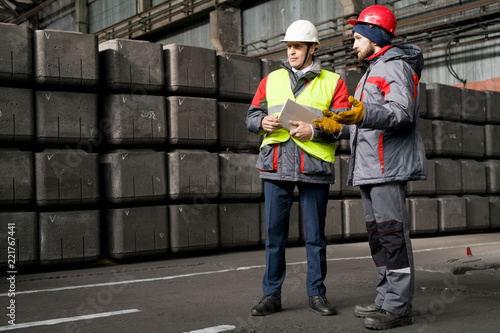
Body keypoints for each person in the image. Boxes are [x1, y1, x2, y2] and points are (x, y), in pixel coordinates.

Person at [313, 5, 426, 330]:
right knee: (378, 238)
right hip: (369, 169)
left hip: (387, 167)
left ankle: (398, 307)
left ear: (375, 37)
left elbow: (401, 114)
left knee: (393, 237)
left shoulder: (394, 69)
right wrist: (333, 124)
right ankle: (386, 297)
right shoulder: (371, 71)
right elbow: (365, 123)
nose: (353, 45)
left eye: (357, 38)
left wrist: (361, 115)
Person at [246, 19, 350, 316]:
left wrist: (314, 131)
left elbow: (344, 126)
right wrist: (261, 123)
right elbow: (252, 115)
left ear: (312, 48)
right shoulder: (271, 80)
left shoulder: (333, 82)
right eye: (289, 47)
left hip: (313, 166)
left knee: (315, 236)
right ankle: (271, 296)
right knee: (274, 236)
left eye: (298, 47)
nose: (291, 52)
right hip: (276, 164)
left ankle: (317, 294)